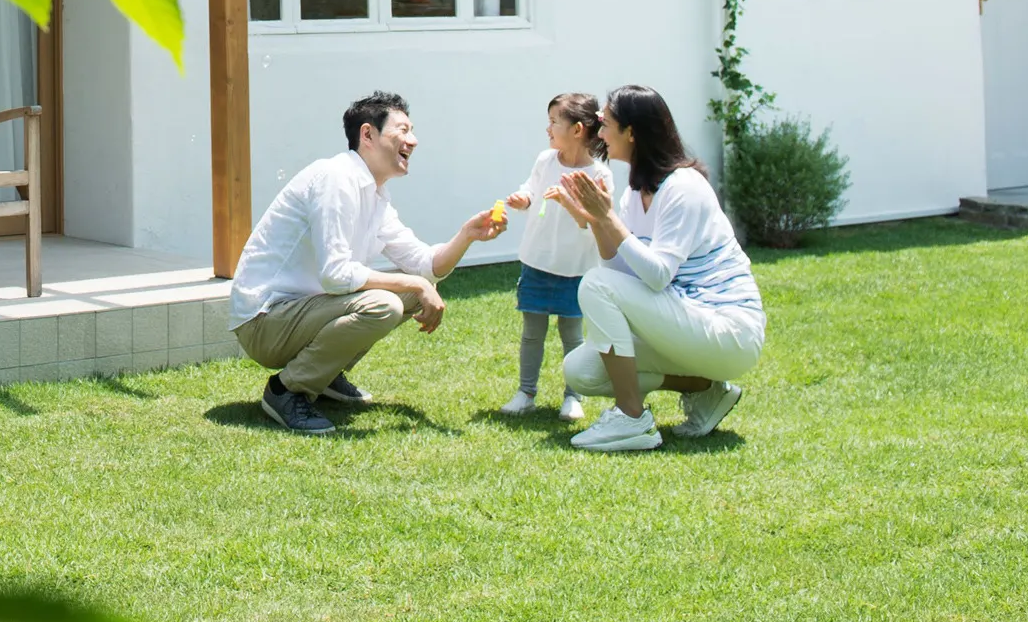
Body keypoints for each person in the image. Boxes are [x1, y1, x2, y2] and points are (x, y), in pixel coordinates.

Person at [228, 91, 508, 435]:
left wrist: (466, 235)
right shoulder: (335, 178)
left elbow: (423, 264)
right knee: (386, 303)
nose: (414, 140)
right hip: (265, 321)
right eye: (402, 130)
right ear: (367, 135)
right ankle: (286, 392)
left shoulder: (375, 195)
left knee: (413, 290)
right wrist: (415, 284)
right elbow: (336, 275)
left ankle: (326, 376)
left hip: (301, 313)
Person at [548, 85, 766, 452]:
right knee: (581, 370)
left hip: (730, 331)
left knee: (595, 284)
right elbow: (623, 274)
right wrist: (600, 222)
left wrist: (609, 220)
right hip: (689, 321)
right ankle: (707, 389)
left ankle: (632, 418)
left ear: (631, 132)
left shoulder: (684, 187)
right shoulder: (635, 192)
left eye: (606, 124)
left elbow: (657, 275)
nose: (599, 133)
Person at [497, 93, 615, 422]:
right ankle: (526, 393)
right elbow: (533, 190)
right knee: (532, 332)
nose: (547, 129)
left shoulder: (600, 176)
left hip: (576, 269)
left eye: (553, 122)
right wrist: (523, 198)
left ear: (577, 129)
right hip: (537, 263)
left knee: (572, 336)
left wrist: (567, 200)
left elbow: (593, 222)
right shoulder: (545, 161)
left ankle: (573, 396)